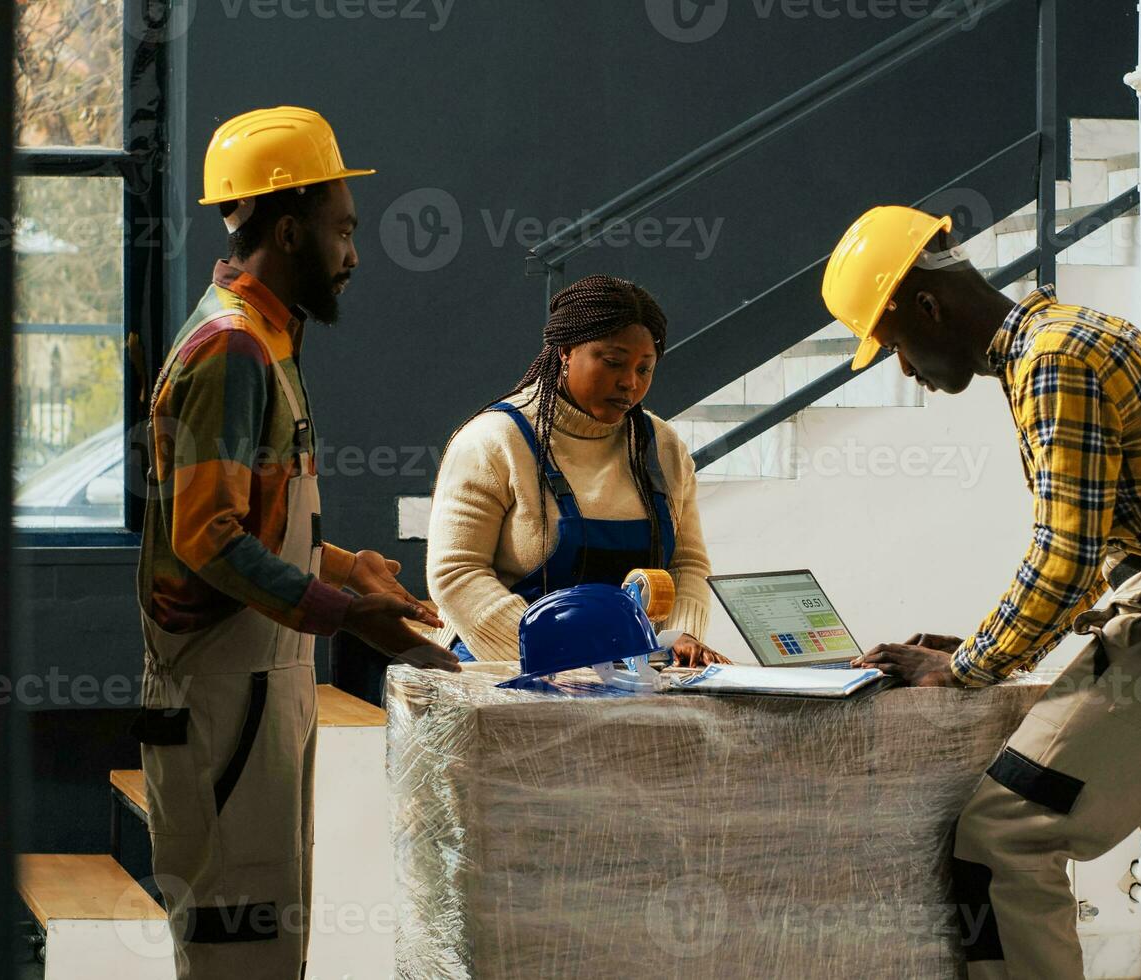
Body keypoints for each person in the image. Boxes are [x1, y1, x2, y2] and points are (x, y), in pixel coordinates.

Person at [824, 206, 1141, 979]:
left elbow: (1067, 553)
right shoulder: (1081, 332)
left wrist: (972, 664)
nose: (906, 369)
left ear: (927, 306)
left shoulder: (1053, 361)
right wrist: (982, 642)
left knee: (1006, 834)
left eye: (893, 346)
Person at [135, 105, 459, 979]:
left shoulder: (269, 337)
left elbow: (254, 515)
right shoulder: (231, 350)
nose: (354, 255)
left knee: (269, 954)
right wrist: (347, 616)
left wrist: (350, 568)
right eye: (342, 230)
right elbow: (206, 537)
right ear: (287, 228)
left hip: (259, 687)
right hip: (219, 702)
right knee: (238, 960)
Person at [426, 274, 727, 667]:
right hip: (506, 665)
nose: (629, 383)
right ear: (566, 351)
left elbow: (687, 564)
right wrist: (553, 652)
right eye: (614, 362)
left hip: (626, 668)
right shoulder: (495, 440)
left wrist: (676, 637)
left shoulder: (661, 447)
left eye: (645, 369)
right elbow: (457, 573)